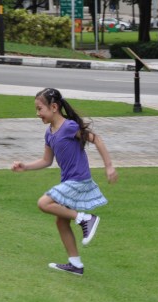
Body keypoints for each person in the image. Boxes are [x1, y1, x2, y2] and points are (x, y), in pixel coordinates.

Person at [12, 88, 118, 276]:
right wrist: (25, 166)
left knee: (44, 203)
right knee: (61, 222)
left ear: (54, 107)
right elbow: (46, 160)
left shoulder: (69, 126)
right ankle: (75, 264)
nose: (37, 114)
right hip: (68, 182)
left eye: (40, 109)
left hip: (79, 180)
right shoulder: (49, 133)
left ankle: (86, 219)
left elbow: (97, 139)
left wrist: (109, 166)